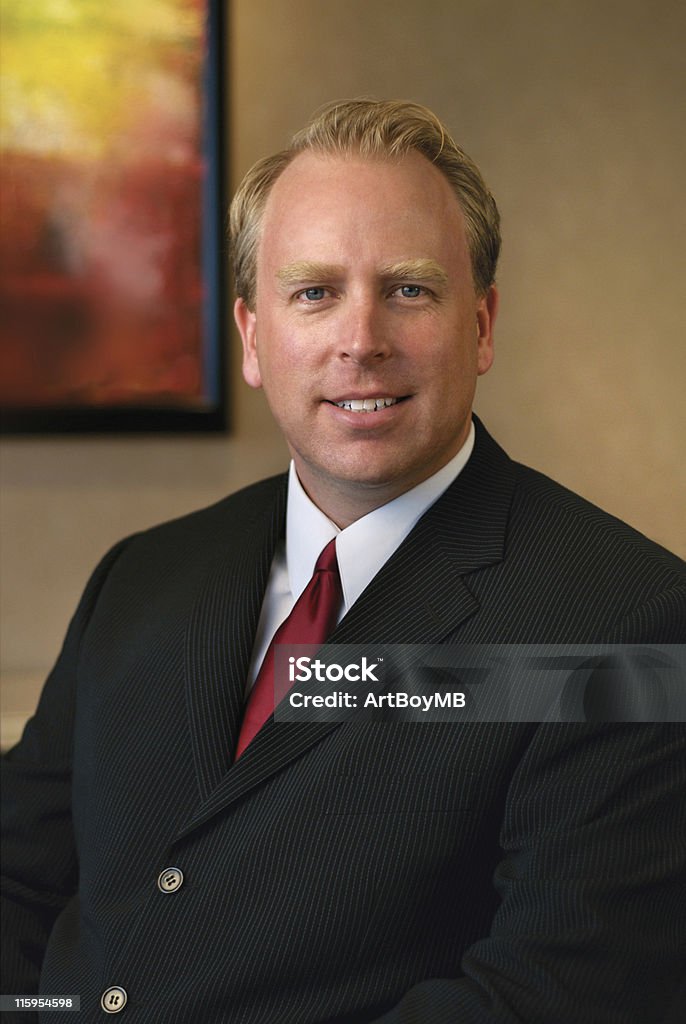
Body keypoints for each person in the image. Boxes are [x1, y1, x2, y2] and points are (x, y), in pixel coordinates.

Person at [2, 99, 685, 1024]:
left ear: (481, 327)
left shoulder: (622, 620)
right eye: (314, 292)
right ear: (252, 336)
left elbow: (549, 995)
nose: (360, 340)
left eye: (408, 289)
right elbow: (20, 882)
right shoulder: (143, 577)